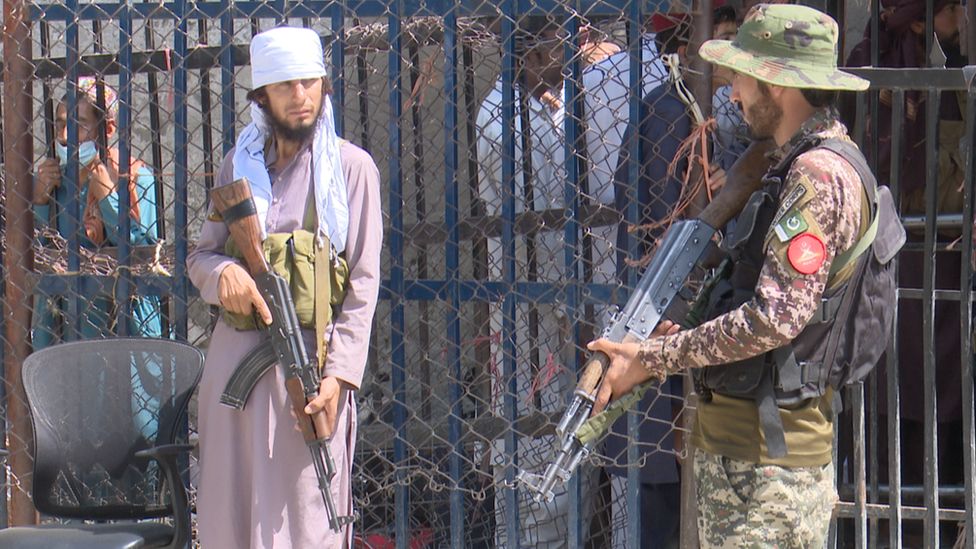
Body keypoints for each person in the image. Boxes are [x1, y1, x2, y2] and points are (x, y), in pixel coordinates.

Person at [590, 5, 873, 547]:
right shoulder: (791, 161)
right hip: (754, 462)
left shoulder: (816, 174)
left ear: (777, 84)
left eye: (742, 76)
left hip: (766, 474)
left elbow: (775, 318)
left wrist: (651, 359)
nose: (733, 91)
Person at [187, 26, 382, 548]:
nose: (301, 96)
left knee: (307, 523)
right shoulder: (240, 165)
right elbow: (200, 255)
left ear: (325, 87)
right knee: (230, 522)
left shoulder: (350, 169)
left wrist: (339, 379)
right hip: (237, 377)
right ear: (263, 97)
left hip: (308, 378)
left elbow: (362, 284)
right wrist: (223, 273)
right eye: (286, 85)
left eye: (310, 83)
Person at [476, 16, 596, 548]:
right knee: (538, 440)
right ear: (530, 52)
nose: (570, 53)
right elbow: (537, 229)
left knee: (560, 437)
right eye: (557, 43)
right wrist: (569, 305)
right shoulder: (503, 122)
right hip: (537, 305)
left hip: (552, 301)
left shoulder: (545, 108)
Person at [33, 77, 163, 348]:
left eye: (78, 125)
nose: (64, 136)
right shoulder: (53, 180)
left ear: (108, 128)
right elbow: (35, 255)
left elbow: (146, 254)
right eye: (59, 124)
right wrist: (41, 201)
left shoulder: (135, 177)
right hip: (66, 329)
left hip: (125, 330)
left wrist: (108, 198)